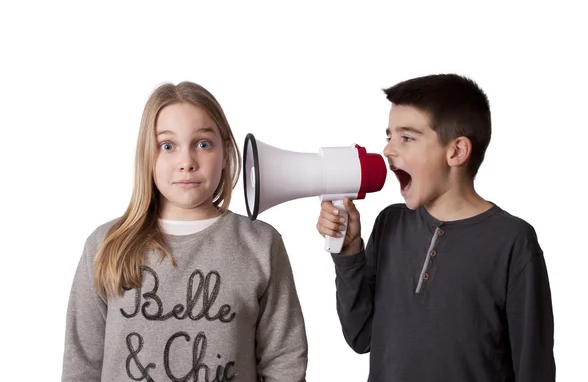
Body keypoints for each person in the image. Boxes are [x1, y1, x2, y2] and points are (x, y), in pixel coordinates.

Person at [62, 81, 308, 382]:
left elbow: (284, 362)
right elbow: (82, 367)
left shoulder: (261, 244)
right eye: (167, 146)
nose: (187, 162)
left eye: (203, 143)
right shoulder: (105, 245)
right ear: (147, 155)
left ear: (226, 150)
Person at [317, 74, 555, 381]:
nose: (388, 149)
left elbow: (533, 367)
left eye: (407, 137)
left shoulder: (512, 241)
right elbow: (360, 336)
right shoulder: (390, 223)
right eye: (389, 135)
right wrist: (349, 254)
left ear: (456, 152)